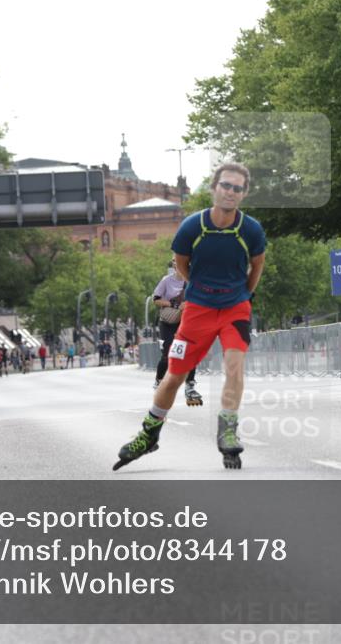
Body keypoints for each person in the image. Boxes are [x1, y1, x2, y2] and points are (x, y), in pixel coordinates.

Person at [114, 162, 266, 471]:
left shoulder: (250, 229)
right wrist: (200, 288)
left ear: (243, 194)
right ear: (214, 188)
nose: (230, 192)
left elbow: (257, 267)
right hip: (198, 309)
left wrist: (242, 295)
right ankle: (149, 434)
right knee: (174, 375)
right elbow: (182, 266)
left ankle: (227, 430)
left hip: (235, 307)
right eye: (226, 185)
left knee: (235, 366)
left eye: (237, 188)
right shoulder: (191, 227)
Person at [151, 260, 200, 403]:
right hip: (168, 321)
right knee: (168, 353)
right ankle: (159, 382)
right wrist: (174, 304)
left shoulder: (192, 281)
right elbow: (156, 299)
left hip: (185, 321)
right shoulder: (167, 281)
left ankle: (190, 386)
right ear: (175, 266)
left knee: (190, 352)